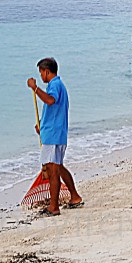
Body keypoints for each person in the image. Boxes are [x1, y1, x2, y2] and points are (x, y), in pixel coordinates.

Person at [27, 57, 83, 215]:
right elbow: (54, 109)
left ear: (46, 71)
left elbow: (50, 100)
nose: (41, 77)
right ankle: (74, 196)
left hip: (53, 135)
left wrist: (35, 88)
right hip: (54, 132)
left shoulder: (55, 85)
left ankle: (54, 207)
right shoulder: (58, 85)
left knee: (52, 170)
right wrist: (42, 126)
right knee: (58, 167)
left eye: (41, 73)